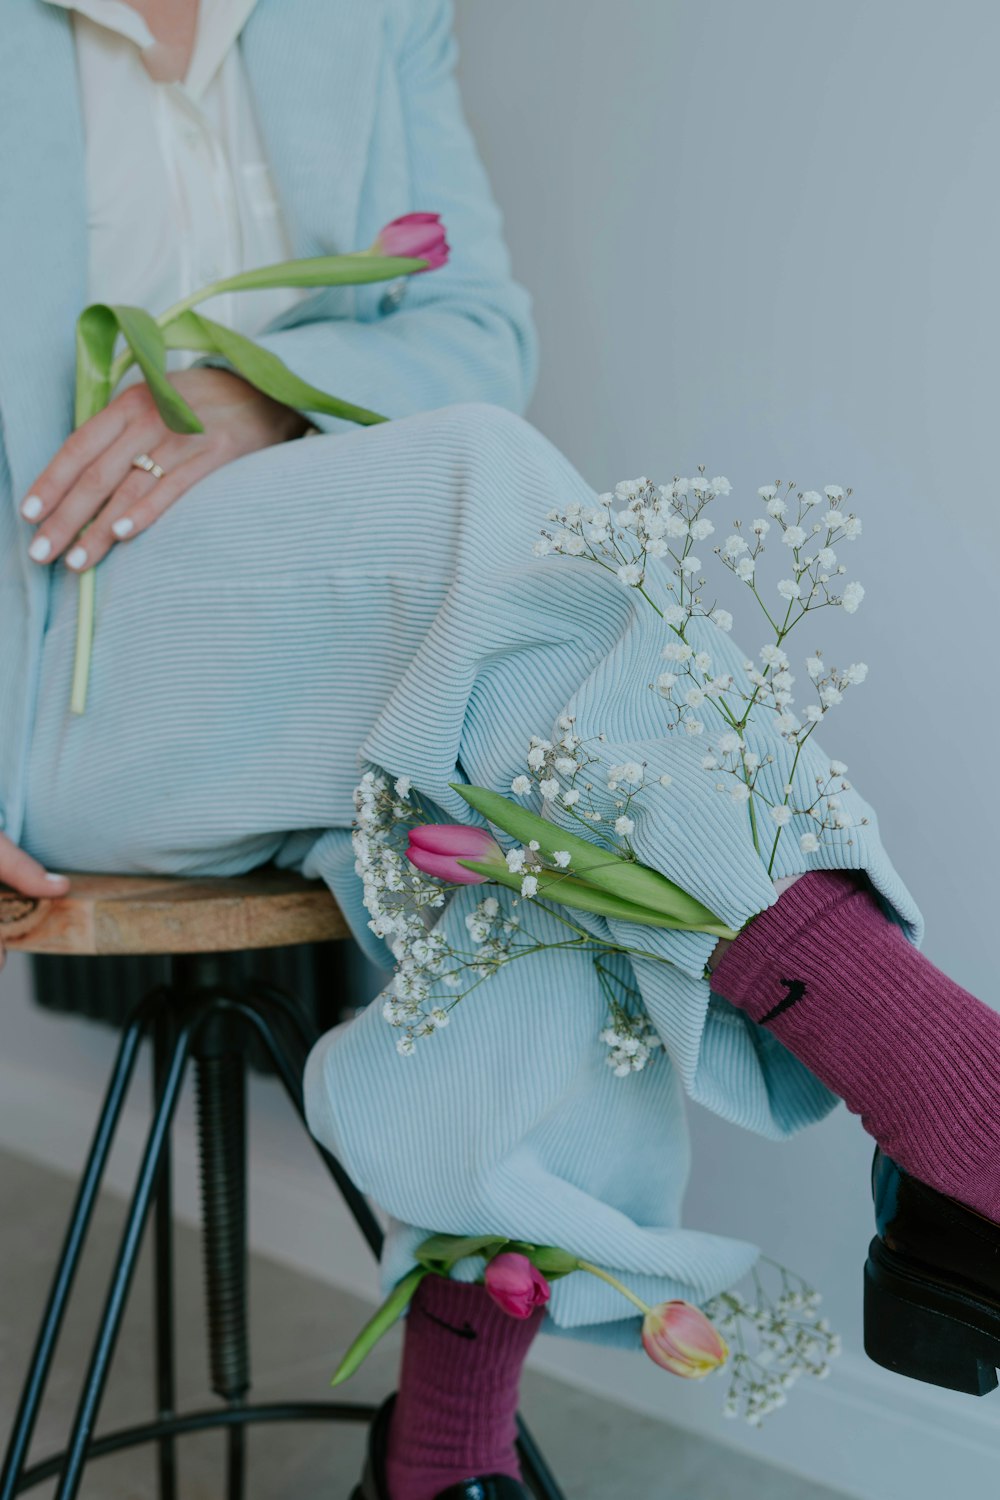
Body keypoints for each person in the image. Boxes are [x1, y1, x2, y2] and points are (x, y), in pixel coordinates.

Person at [1, 4, 998, 1498]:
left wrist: (257, 390)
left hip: (347, 644)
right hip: (67, 662)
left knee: (541, 818)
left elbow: (478, 328)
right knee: (486, 508)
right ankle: (955, 1102)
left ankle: (440, 1468)